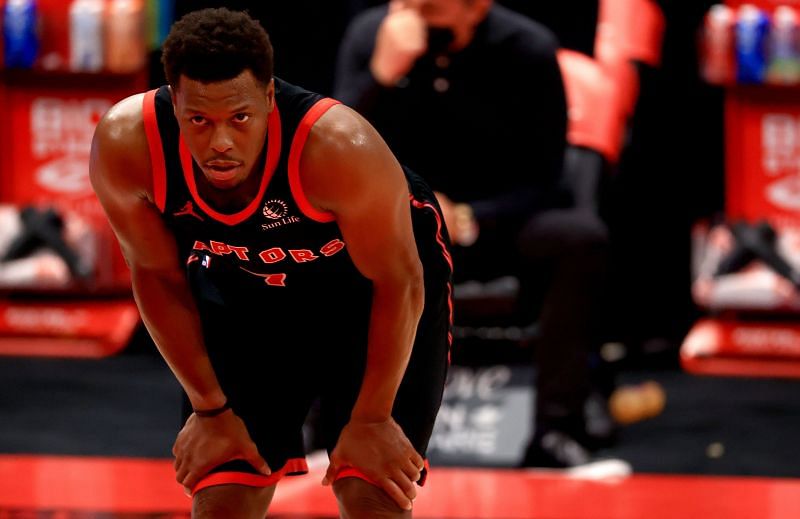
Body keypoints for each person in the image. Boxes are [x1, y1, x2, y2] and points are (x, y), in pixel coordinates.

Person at [90, 8, 452, 518]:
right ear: (174, 106)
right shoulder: (127, 144)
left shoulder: (338, 148)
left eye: (239, 118)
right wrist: (210, 409)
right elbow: (155, 275)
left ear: (267, 99)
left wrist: (370, 421)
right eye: (199, 119)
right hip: (246, 286)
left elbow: (400, 281)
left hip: (368, 295)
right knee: (223, 493)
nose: (220, 142)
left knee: (373, 492)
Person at [335, 0, 610, 467]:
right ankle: (327, 425)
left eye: (431, 10)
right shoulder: (371, 34)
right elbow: (334, 157)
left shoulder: (528, 48)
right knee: (312, 230)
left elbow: (547, 178)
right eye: (409, 5)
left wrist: (470, 216)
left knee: (580, 237)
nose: (415, 17)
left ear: (476, 7)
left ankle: (556, 430)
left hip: (497, 225)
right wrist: (381, 75)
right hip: (397, 224)